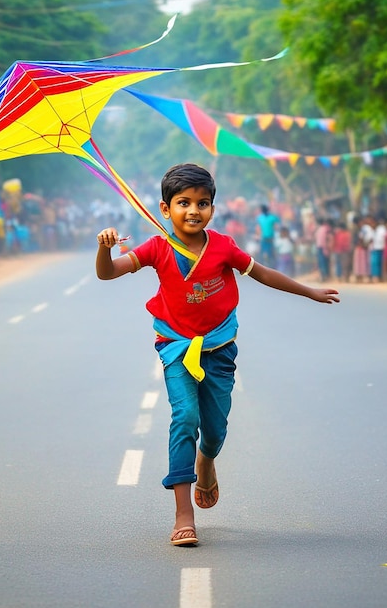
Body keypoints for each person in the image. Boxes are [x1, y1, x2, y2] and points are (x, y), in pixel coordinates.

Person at [95, 164, 340, 547]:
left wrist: (309, 291)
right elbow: (108, 274)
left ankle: (206, 460)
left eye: (202, 203)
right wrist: (103, 249)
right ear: (165, 209)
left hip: (220, 348)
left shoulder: (223, 246)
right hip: (176, 347)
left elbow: (262, 274)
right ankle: (182, 515)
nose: (193, 210)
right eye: (183, 203)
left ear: (212, 208)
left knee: (214, 430)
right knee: (184, 417)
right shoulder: (157, 247)